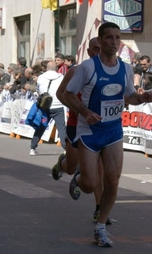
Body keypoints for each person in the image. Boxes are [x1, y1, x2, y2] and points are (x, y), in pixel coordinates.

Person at [64, 22, 152, 247]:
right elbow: (68, 94)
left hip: (113, 131)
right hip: (89, 131)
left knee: (112, 181)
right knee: (89, 184)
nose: (114, 42)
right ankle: (78, 178)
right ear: (101, 40)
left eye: (117, 38)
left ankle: (101, 226)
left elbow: (130, 96)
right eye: (109, 38)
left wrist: (141, 99)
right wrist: (85, 111)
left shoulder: (125, 68)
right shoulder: (87, 67)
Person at [53, 37, 114, 225]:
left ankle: (99, 210)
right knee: (71, 167)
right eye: (95, 49)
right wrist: (79, 109)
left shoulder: (111, 72)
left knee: (100, 170)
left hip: (99, 126)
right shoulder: (76, 71)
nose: (98, 52)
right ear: (88, 52)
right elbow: (60, 94)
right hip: (76, 123)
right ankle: (63, 165)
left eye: (100, 48)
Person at [30, 61, 66, 155]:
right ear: (56, 68)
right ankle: (66, 148)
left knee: (41, 126)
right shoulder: (61, 77)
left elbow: (38, 90)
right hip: (58, 105)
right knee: (61, 128)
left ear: (46, 68)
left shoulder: (41, 77)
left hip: (45, 105)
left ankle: (32, 148)